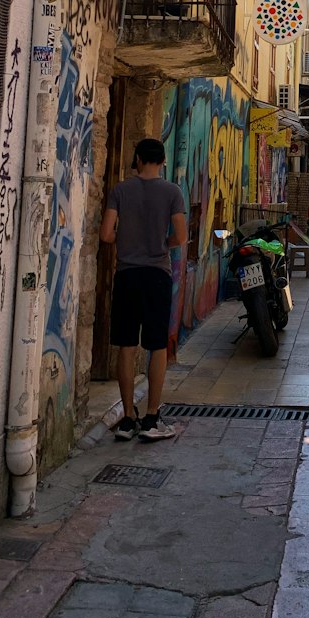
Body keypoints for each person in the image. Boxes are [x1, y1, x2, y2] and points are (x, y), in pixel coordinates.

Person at [100, 137, 187, 442]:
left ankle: (127, 419)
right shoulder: (172, 192)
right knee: (157, 347)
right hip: (157, 277)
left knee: (126, 346)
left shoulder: (121, 190)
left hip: (127, 275)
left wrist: (126, 240)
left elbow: (106, 234)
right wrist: (162, 245)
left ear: (137, 159)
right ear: (162, 161)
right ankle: (151, 418)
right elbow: (181, 235)